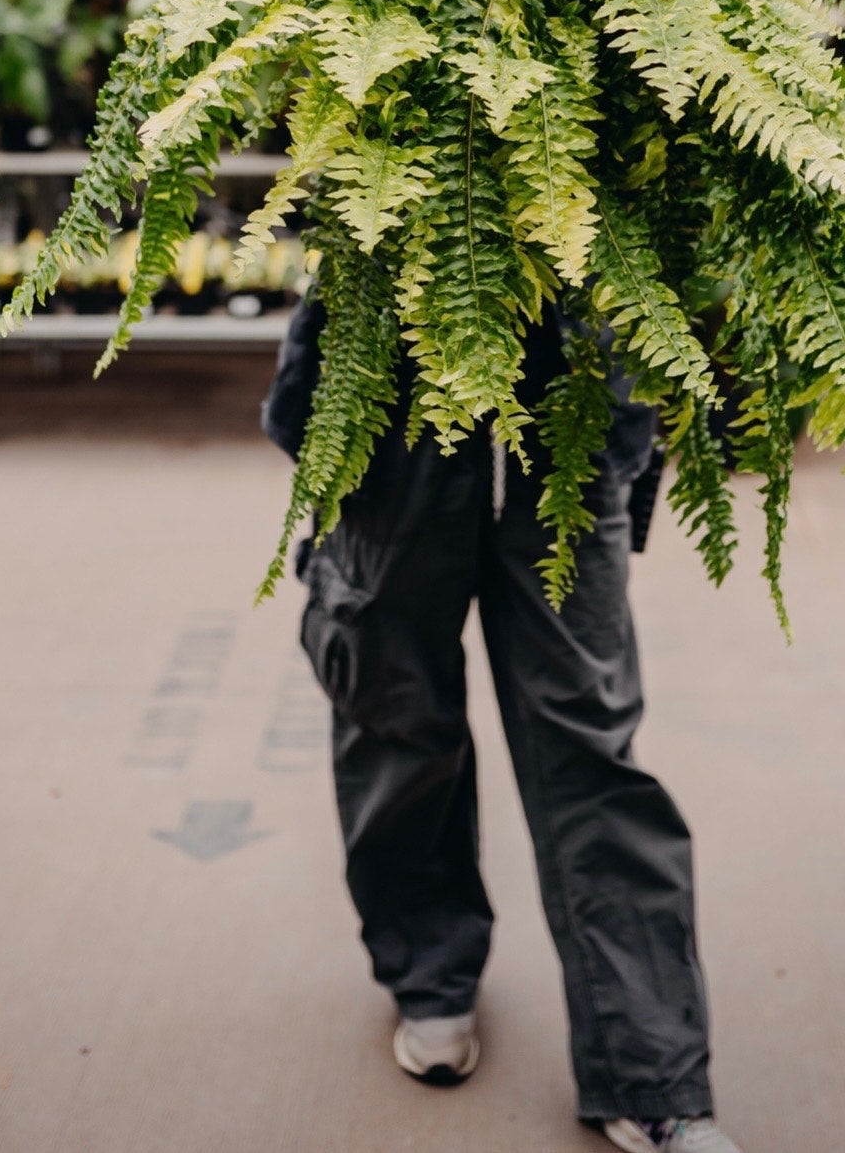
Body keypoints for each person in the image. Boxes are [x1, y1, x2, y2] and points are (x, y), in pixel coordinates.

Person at [264, 295, 743, 1153]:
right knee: (394, 714)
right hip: (394, 392)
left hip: (571, 395)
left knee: (588, 743)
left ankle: (651, 1071)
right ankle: (429, 971)